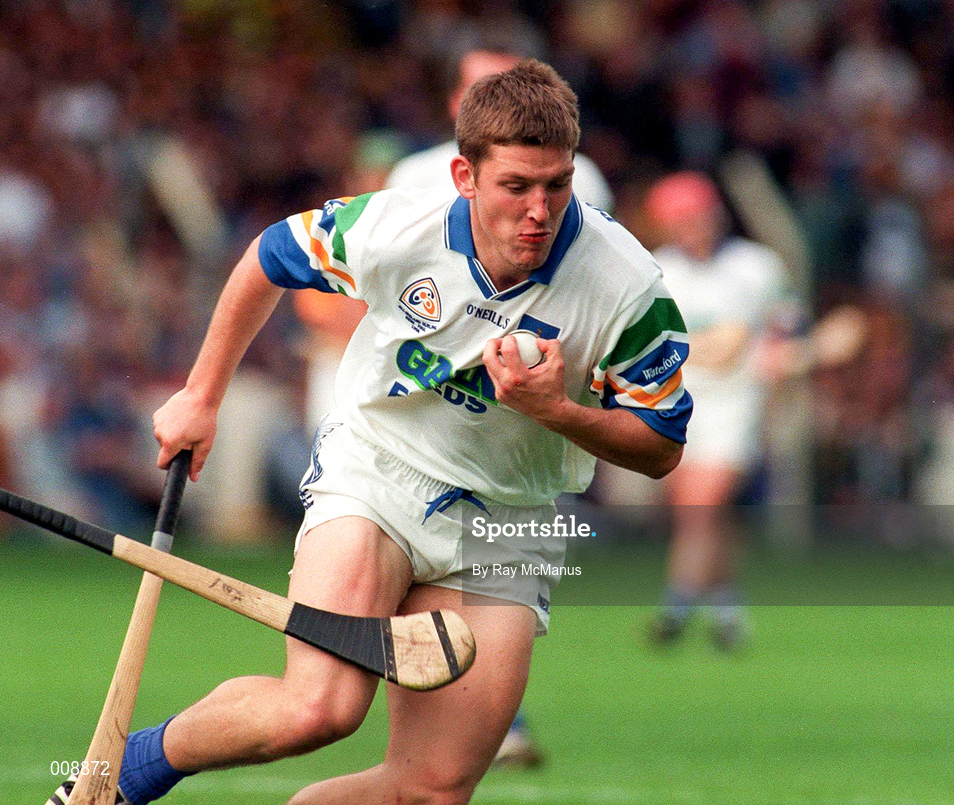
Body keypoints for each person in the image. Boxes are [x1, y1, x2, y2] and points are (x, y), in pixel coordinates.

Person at [52, 60, 690, 805]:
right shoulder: (397, 226)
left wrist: (557, 410)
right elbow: (270, 257)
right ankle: (124, 771)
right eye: (515, 186)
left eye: (556, 184)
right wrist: (201, 395)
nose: (538, 211)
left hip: (506, 525)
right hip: (378, 475)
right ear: (464, 175)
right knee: (316, 708)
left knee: (431, 789)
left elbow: (661, 445)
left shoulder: (626, 286)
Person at [386, 44, 616, 770]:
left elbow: (589, 281)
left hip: (518, 418)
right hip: (416, 409)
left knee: (487, 571)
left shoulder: (585, 185)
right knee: (326, 700)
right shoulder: (414, 176)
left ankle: (483, 715)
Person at [645, 171, 863, 649]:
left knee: (700, 505)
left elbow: (789, 333)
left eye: (700, 215)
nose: (695, 227)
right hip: (676, 404)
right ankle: (729, 617)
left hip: (735, 405)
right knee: (700, 514)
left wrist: (791, 353)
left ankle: (674, 610)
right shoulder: (657, 271)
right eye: (682, 220)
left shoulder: (756, 266)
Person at [387, 47, 614, 213]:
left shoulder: (581, 175)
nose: (504, 103)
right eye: (486, 92)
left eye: (516, 90)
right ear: (455, 101)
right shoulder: (412, 178)